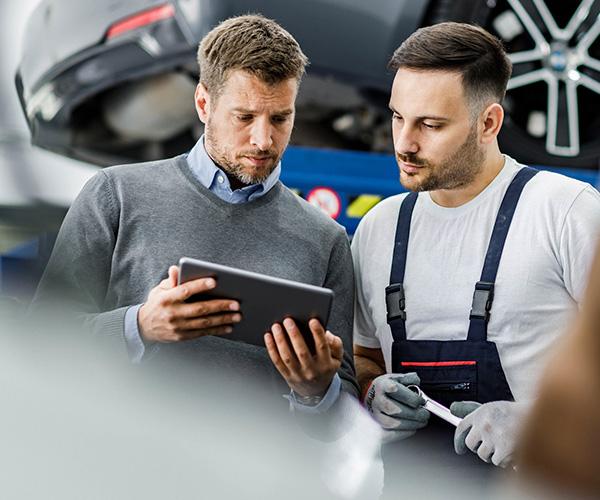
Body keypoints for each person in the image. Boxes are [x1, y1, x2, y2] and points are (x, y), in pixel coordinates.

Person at [32, 14, 358, 411]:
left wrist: (315, 394)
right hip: (116, 462)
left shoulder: (327, 240)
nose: (263, 139)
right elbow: (41, 344)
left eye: (280, 118)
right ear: (204, 104)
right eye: (244, 117)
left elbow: (345, 412)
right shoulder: (115, 194)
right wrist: (138, 327)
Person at [351, 21, 600, 472]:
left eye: (430, 124)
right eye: (397, 117)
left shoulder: (565, 212)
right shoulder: (378, 230)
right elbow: (363, 355)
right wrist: (371, 391)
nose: (404, 143)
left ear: (489, 122)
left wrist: (538, 422)